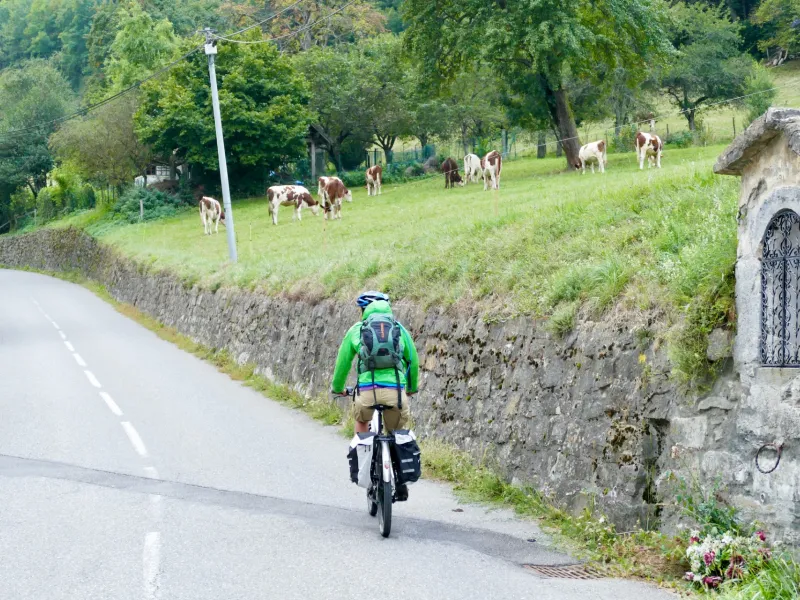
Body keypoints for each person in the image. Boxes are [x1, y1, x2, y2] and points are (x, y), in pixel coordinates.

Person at [331, 291, 419, 500]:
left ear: (363, 310)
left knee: (362, 420)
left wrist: (338, 388)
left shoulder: (357, 330)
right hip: (395, 393)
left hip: (367, 392)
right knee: (397, 432)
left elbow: (343, 363)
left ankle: (364, 467)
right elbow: (413, 361)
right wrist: (411, 388)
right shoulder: (399, 329)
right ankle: (400, 478)